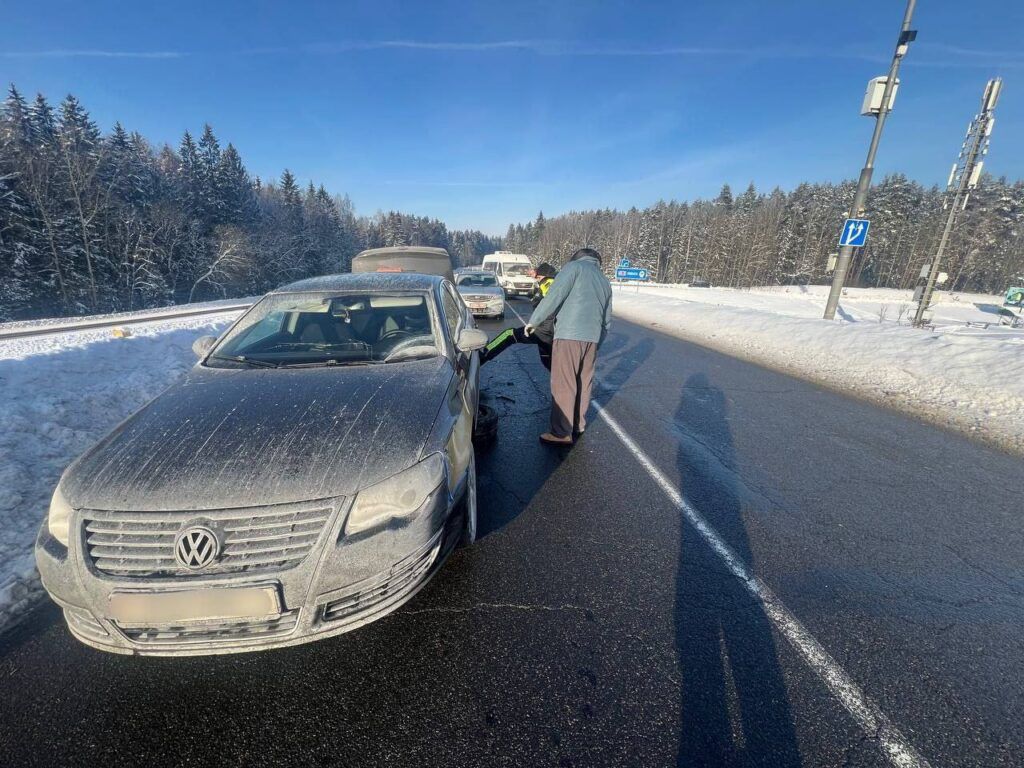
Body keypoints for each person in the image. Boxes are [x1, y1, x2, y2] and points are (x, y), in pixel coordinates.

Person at [526, 248, 612, 445]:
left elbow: (554, 296)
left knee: (564, 383)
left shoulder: (573, 268)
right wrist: (597, 342)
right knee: (583, 382)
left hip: (569, 334)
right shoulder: (604, 280)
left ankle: (561, 432)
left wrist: (534, 321)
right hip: (592, 338)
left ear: (577, 257)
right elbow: (607, 320)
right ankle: (578, 425)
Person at [479, 263, 558, 370]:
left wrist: (536, 322)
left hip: (545, 330)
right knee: (550, 363)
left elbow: (549, 302)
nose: (537, 280)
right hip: (553, 331)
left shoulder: (548, 282)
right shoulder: (556, 282)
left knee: (509, 334)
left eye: (538, 277)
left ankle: (482, 356)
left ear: (544, 275)